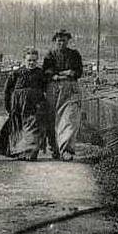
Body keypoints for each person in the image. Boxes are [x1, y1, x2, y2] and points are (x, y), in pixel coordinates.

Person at [0, 48, 49, 161]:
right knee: (18, 128)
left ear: (38, 61)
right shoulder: (16, 73)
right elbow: (7, 90)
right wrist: (8, 105)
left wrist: (42, 104)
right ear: (24, 60)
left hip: (34, 105)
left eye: (34, 61)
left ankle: (31, 152)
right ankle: (19, 151)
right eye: (29, 60)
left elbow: (46, 89)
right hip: (18, 105)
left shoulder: (40, 74)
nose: (31, 63)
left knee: (33, 127)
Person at [42, 29, 84, 160]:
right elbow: (47, 71)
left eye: (64, 40)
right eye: (59, 40)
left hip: (71, 88)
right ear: (55, 41)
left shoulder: (74, 54)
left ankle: (67, 150)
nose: (61, 43)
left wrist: (62, 73)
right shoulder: (50, 55)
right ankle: (55, 148)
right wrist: (64, 73)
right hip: (54, 89)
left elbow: (77, 72)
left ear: (68, 41)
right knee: (53, 118)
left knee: (70, 119)